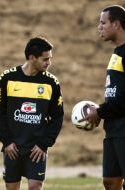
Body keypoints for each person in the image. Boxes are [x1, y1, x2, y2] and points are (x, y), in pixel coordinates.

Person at [0, 37, 64, 190]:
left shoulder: (51, 83)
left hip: (36, 149)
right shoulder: (7, 78)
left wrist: (44, 143)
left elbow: (57, 117)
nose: (49, 62)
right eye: (45, 59)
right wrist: (6, 141)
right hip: (13, 147)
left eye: (50, 59)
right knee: (11, 187)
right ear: (32, 58)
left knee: (35, 186)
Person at [82, 5, 125, 190]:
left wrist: (100, 111)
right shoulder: (117, 53)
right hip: (113, 128)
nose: (99, 27)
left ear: (116, 24)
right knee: (110, 181)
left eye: (103, 23)